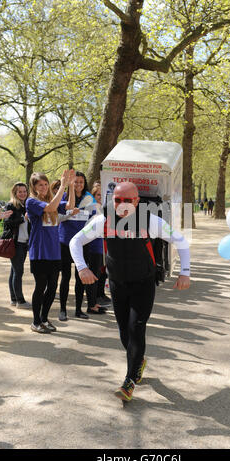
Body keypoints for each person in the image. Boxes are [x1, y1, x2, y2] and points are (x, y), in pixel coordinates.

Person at [69, 182, 191, 402]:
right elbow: (75, 241)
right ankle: (138, 362)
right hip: (117, 283)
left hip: (143, 282)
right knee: (124, 331)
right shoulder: (103, 220)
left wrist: (185, 272)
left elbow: (181, 241)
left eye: (128, 200)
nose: (122, 205)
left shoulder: (150, 220)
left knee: (136, 328)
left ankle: (129, 381)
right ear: (112, 199)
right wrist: (82, 267)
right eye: (118, 200)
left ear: (137, 200)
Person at [26, 169, 76, 334]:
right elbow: (50, 207)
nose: (44, 187)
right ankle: (36, 321)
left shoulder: (52, 200)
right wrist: (62, 186)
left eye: (46, 184)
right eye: (40, 185)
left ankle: (45, 318)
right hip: (40, 251)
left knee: (52, 285)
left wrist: (71, 187)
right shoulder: (31, 202)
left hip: (54, 252)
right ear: (34, 187)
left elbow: (69, 206)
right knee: (40, 286)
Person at [58, 171, 96, 321]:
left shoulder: (89, 198)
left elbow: (94, 218)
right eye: (76, 182)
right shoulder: (64, 197)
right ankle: (62, 310)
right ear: (71, 183)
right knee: (65, 277)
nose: (78, 184)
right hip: (65, 242)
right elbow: (57, 216)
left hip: (83, 243)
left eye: (81, 182)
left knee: (80, 277)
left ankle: (79, 309)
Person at [3, 182, 31, 308]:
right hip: (15, 243)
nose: (23, 193)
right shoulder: (11, 205)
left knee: (14, 271)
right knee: (18, 272)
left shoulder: (26, 204)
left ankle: (14, 299)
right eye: (20, 191)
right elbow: (7, 223)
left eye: (24, 191)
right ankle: (20, 301)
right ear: (15, 193)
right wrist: (23, 218)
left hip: (24, 242)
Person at [91, 182, 111, 307]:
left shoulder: (106, 207)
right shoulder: (92, 208)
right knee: (98, 269)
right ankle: (96, 296)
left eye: (102, 194)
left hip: (106, 240)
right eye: (98, 195)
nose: (100, 196)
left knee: (104, 269)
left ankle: (101, 293)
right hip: (97, 241)